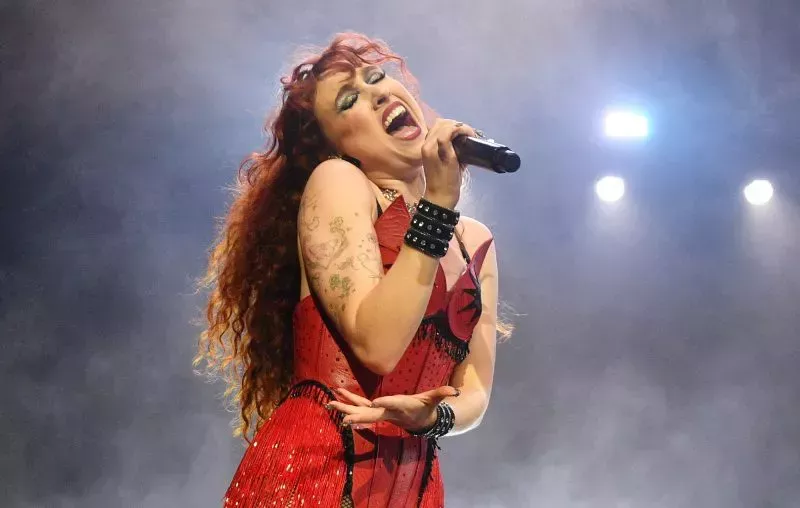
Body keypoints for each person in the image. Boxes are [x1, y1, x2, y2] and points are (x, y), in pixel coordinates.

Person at [196, 32, 507, 507]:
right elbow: (377, 345)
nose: (377, 93)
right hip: (316, 469)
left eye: (377, 78)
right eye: (349, 100)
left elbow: (476, 391)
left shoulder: (475, 242)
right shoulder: (338, 182)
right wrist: (438, 205)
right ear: (336, 145)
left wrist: (433, 418)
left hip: (415, 486)